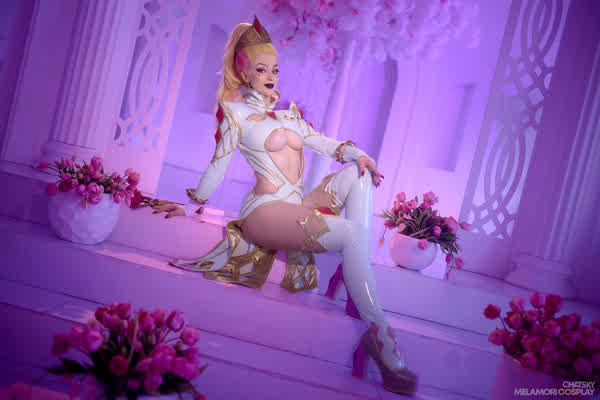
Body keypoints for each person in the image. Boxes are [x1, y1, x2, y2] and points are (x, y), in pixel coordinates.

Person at [152, 17, 417, 395]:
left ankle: (355, 274)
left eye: (274, 69)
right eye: (261, 69)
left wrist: (360, 155)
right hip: (264, 212)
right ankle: (380, 333)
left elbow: (327, 144)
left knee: (358, 174)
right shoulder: (235, 115)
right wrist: (188, 203)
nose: (270, 76)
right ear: (244, 72)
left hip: (297, 206)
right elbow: (217, 166)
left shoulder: (289, 116)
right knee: (351, 233)